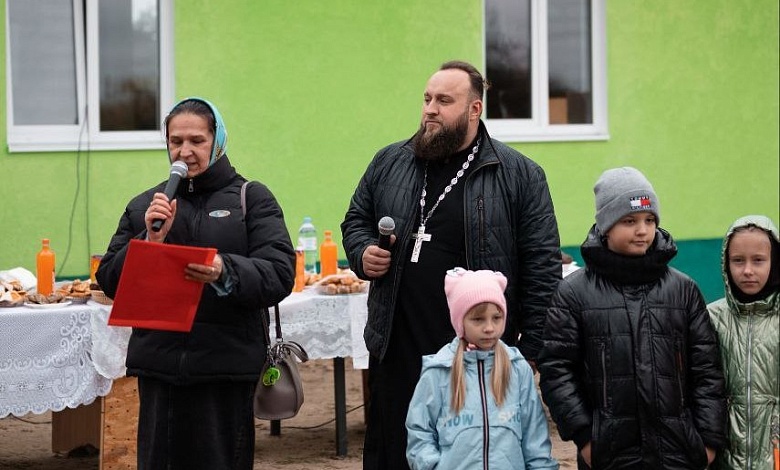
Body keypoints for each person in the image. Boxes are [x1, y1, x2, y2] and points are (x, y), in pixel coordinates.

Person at [341, 60, 561, 469]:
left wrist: (528, 351)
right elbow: (356, 220)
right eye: (427, 99)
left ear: (474, 109)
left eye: (444, 100)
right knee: (396, 451)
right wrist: (363, 251)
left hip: (476, 356)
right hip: (398, 345)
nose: (430, 109)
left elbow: (542, 267)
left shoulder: (520, 175)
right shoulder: (390, 161)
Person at [96, 97, 295, 469]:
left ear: (217, 141)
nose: (184, 151)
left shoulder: (251, 198)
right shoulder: (145, 206)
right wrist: (149, 242)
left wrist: (224, 269)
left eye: (196, 141)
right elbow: (109, 280)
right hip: (159, 369)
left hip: (224, 369)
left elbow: (280, 273)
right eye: (175, 141)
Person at [538, 167, 727, 469]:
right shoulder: (574, 293)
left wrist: (707, 443)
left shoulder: (683, 290)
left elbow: (707, 371)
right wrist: (586, 437)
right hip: (608, 455)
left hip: (679, 454)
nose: (642, 230)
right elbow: (557, 369)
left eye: (649, 220)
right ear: (605, 226)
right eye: (629, 221)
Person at [405, 268, 558, 470]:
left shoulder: (517, 368)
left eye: (497, 317)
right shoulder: (439, 371)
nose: (489, 327)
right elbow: (420, 431)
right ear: (460, 321)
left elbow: (535, 435)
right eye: (478, 319)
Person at [707, 215, 780, 470]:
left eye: (758, 260)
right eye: (738, 260)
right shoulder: (711, 317)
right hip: (724, 457)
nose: (747, 270)